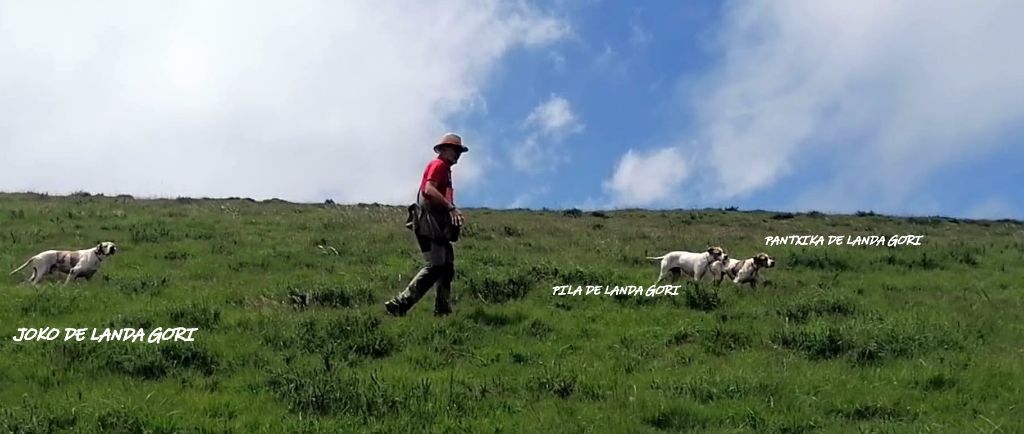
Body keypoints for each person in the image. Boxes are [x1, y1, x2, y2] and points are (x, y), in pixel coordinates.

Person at [385, 132, 468, 317]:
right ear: (443, 149)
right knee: (436, 266)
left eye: (459, 151)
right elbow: (428, 189)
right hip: (429, 224)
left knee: (447, 267)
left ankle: (442, 311)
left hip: (435, 225)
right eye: (454, 150)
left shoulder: (446, 170)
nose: (457, 154)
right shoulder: (438, 165)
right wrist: (450, 207)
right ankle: (401, 302)